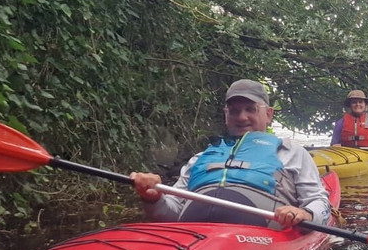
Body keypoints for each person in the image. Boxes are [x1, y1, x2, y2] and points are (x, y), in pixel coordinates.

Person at [131, 79, 331, 230]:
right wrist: (154, 199)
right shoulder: (200, 158)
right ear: (226, 115)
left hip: (258, 238)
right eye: (234, 111)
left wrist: (305, 214)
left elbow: (320, 203)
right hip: (193, 235)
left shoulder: (290, 152)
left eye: (250, 109)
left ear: (269, 114)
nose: (242, 117)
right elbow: (172, 213)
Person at [330, 89, 368, 158]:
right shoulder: (340, 123)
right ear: (350, 105)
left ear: (365, 105)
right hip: (347, 157)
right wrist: (335, 146)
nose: (358, 104)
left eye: (360, 102)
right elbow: (334, 145)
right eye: (354, 102)